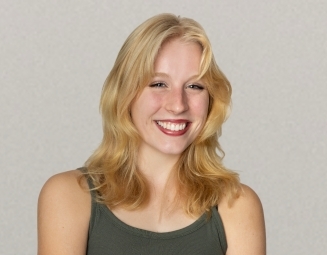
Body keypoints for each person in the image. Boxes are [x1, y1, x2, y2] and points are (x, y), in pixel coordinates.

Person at [38, 13, 266, 255]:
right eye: (158, 84)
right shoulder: (68, 195)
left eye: (195, 86)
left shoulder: (237, 206)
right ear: (125, 94)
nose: (178, 105)